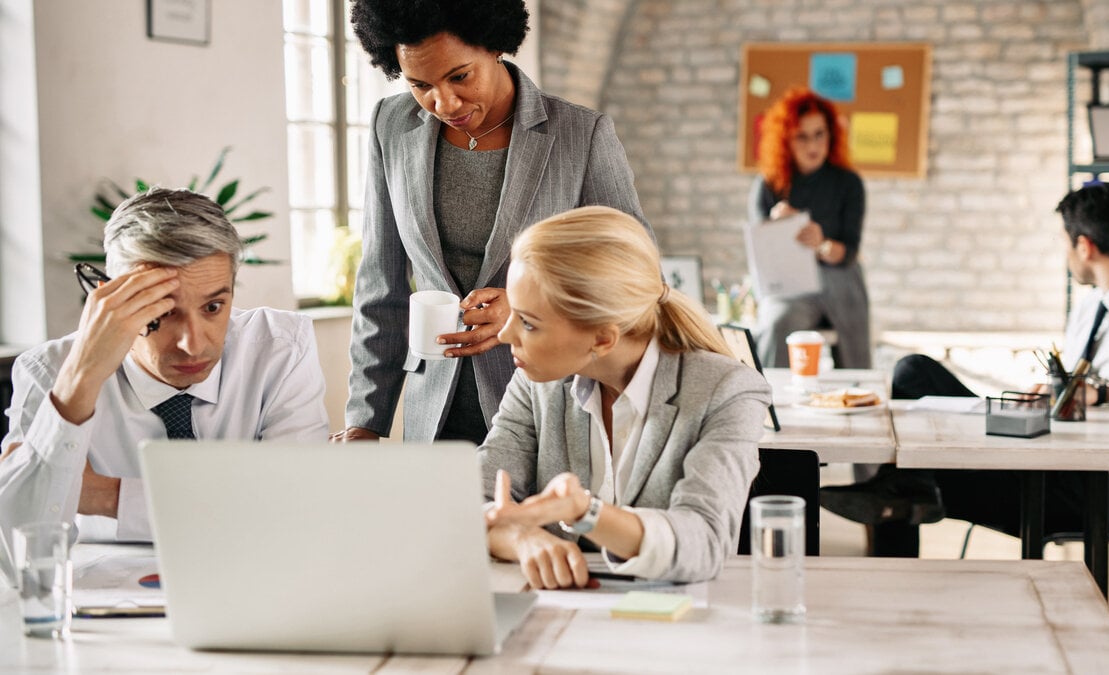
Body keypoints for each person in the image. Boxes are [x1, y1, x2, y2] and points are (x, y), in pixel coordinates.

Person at [337, 0, 647, 445]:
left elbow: (637, 272)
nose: (443, 102)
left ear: (495, 45)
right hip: (433, 418)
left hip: (548, 408)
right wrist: (365, 421)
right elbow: (380, 286)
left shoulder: (582, 136)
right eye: (420, 84)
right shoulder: (391, 125)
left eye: (459, 76)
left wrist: (527, 307)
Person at [821, 183, 1109, 556]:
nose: (1065, 253)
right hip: (1049, 454)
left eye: (1064, 243)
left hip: (1089, 489)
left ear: (1084, 246)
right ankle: (904, 492)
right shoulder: (1092, 305)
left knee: (915, 477)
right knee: (915, 372)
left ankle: (899, 520)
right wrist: (1052, 391)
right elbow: (1072, 391)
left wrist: (1103, 390)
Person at [0, 188, 329, 546]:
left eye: (214, 307)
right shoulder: (49, 371)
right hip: (99, 594)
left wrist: (105, 496)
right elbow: (19, 541)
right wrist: (81, 379)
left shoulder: (279, 350)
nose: (193, 344)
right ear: (111, 298)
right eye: (164, 311)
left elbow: (298, 511)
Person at [478, 206, 771, 588]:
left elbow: (705, 542)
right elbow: (469, 501)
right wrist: (520, 538)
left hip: (673, 625)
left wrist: (587, 513)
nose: (504, 336)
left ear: (602, 338)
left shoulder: (727, 391)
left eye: (529, 322)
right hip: (558, 616)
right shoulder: (537, 382)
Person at [749, 87, 870, 369]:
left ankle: (857, 399)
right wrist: (778, 231)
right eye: (801, 136)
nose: (812, 145)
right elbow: (760, 257)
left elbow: (849, 251)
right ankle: (769, 401)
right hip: (790, 285)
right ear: (786, 140)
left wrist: (820, 244)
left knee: (855, 346)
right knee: (775, 324)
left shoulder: (848, 183)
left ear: (831, 135)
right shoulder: (768, 185)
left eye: (819, 134)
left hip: (841, 280)